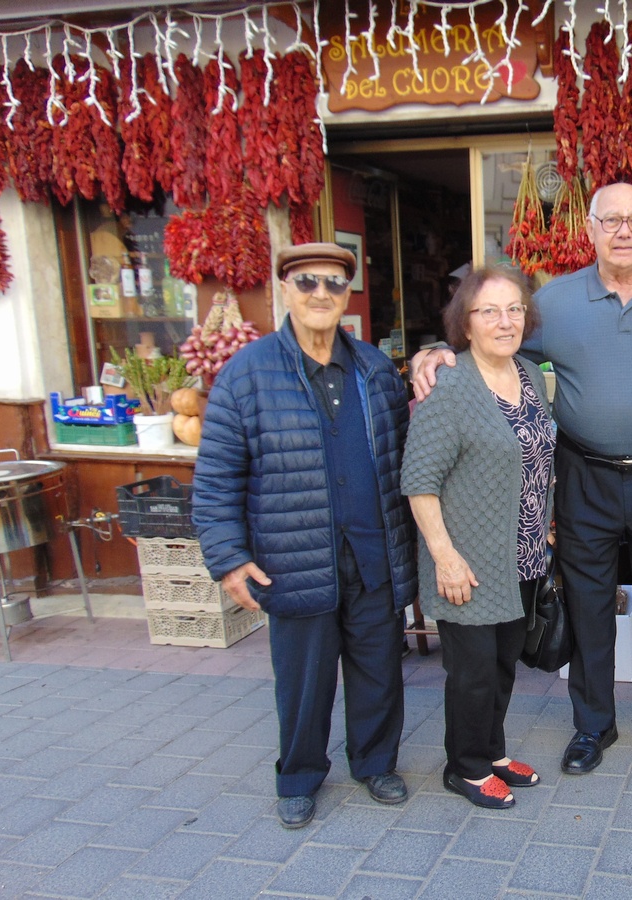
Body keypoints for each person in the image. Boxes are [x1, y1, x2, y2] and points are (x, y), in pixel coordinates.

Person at [411, 182, 632, 774]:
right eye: (611, 221)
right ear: (592, 230)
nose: (624, 231)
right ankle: (592, 725)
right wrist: (435, 353)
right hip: (583, 476)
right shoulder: (557, 301)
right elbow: (496, 344)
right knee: (588, 602)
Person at [192, 242, 417, 829]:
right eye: (308, 282)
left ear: (348, 295)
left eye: (335, 284)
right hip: (294, 557)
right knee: (302, 682)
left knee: (378, 671)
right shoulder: (248, 373)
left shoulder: (373, 368)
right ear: (285, 290)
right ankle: (298, 775)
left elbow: (404, 460)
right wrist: (229, 559)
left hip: (372, 554)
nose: (321, 294)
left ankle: (375, 763)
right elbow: (216, 476)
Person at [401, 266, 554, 809]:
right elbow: (419, 481)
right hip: (466, 561)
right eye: (489, 311)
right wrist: (444, 558)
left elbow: (534, 457)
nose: (504, 320)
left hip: (526, 554)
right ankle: (463, 767)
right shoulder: (450, 385)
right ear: (464, 325)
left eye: (514, 309)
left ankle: (491, 752)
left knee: (503, 667)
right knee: (471, 675)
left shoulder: (531, 376)